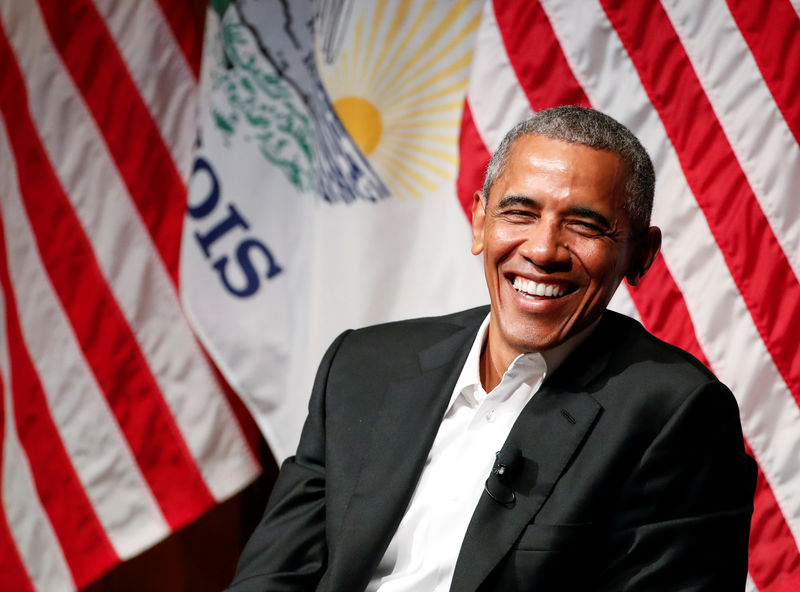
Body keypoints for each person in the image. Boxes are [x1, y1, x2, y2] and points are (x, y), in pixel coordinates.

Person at [227, 106, 756, 591]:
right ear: (480, 221)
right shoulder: (362, 365)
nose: (544, 249)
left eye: (584, 225)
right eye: (520, 213)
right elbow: (272, 577)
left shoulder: (676, 413)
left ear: (640, 255)